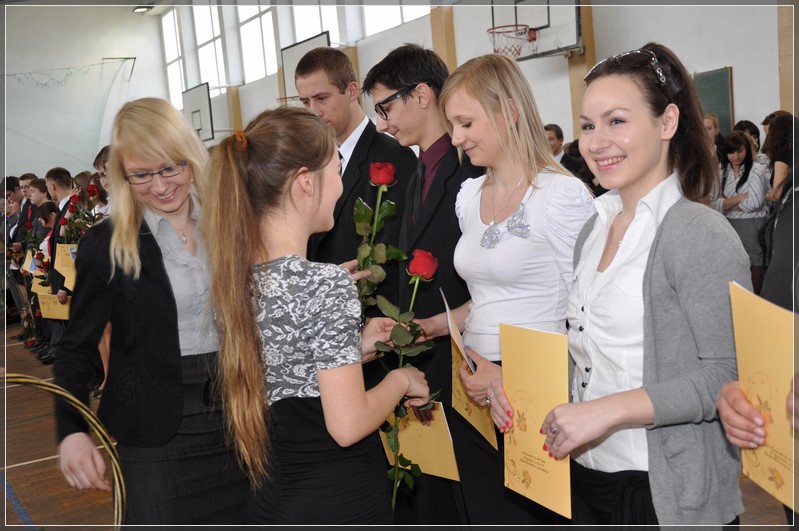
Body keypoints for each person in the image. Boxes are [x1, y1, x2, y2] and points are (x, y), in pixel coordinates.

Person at [489, 43, 750, 525]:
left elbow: (729, 375)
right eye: (588, 126)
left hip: (664, 489)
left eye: (616, 121)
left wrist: (609, 411)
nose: (596, 142)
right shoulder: (595, 225)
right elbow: (588, 354)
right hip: (587, 477)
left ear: (667, 122)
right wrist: (521, 388)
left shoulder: (696, 233)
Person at [201, 106, 430, 525]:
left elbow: (289, 371)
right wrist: (402, 379)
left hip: (274, 497)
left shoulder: (235, 281)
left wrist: (350, 347)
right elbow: (347, 425)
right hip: (337, 498)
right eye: (337, 171)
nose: (342, 186)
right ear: (306, 182)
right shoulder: (325, 284)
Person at [53, 97, 249, 524]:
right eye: (140, 175)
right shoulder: (106, 243)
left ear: (190, 155)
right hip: (153, 437)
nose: (160, 187)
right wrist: (71, 429)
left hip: (240, 419)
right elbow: (77, 347)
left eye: (170, 168)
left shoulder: (232, 218)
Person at [434, 53, 594, 524]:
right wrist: (431, 328)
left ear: (509, 111)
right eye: (452, 125)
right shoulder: (468, 196)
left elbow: (588, 312)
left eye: (466, 123)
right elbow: (486, 297)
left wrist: (515, 381)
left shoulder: (560, 195)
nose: (456, 138)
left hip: (536, 387)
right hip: (475, 382)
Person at [362, 43, 483, 525]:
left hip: (466, 360)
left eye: (385, 107)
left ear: (421, 94)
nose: (382, 124)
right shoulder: (416, 172)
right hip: (425, 362)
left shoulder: (470, 170)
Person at [295, 47, 417, 312]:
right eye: (305, 102)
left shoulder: (394, 157)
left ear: (351, 92)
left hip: (373, 316)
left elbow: (396, 255)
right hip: (320, 313)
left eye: (321, 98)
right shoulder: (308, 163)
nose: (313, 111)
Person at [712, 131, 769, 293]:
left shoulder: (756, 169)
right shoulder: (721, 170)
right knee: (733, 260)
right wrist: (741, 197)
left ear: (747, 150)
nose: (735, 156)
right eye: (731, 152)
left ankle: (755, 298)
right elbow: (713, 203)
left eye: (740, 151)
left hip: (752, 222)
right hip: (728, 223)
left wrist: (726, 203)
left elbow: (755, 203)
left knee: (755, 260)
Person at [761, 112, 793, 203]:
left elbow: (776, 195)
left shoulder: (783, 156)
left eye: (770, 135)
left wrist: (765, 196)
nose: (768, 140)